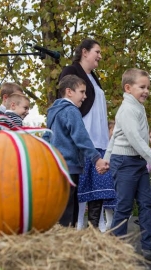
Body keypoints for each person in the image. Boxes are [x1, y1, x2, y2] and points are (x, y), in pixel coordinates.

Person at [103, 68, 151, 262]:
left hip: (137, 162)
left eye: (148, 87)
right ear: (128, 88)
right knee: (124, 207)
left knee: (146, 204)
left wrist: (106, 157)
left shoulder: (137, 106)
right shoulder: (127, 109)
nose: (146, 91)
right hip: (125, 162)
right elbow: (134, 139)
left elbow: (117, 135)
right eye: (142, 87)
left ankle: (150, 245)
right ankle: (115, 249)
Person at [58, 38, 116, 229]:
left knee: (97, 187)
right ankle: (77, 227)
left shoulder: (94, 77)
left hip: (99, 138)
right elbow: (68, 103)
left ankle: (96, 229)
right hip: (85, 137)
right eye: (96, 52)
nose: (100, 55)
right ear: (84, 52)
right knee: (81, 186)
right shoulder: (71, 71)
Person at [43, 74, 109, 227]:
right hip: (70, 165)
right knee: (69, 208)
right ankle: (68, 238)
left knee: (60, 206)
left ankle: (59, 234)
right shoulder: (71, 111)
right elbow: (81, 137)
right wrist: (96, 158)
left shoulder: (53, 112)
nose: (85, 96)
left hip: (57, 165)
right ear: (69, 91)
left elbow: (47, 137)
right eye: (82, 92)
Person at [102, 120, 117, 231]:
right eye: (112, 130)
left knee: (115, 197)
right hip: (105, 174)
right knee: (106, 199)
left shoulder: (117, 144)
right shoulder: (103, 144)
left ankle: (118, 219)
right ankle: (109, 221)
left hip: (113, 174)